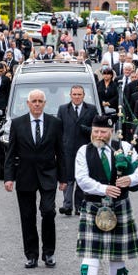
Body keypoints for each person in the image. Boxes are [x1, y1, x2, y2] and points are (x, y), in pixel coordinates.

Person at [75, 115, 138, 275]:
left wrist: (130, 179)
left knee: (118, 256)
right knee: (90, 253)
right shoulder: (84, 151)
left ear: (111, 132)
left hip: (119, 207)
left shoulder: (124, 147)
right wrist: (103, 188)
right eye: (96, 131)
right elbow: (81, 179)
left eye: (103, 132)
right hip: (94, 205)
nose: (99, 135)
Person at [4, 89, 67, 269]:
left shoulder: (55, 123)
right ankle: (31, 255)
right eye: (34, 101)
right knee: (27, 216)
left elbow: (60, 152)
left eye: (40, 101)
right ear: (28, 103)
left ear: (45, 103)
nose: (37, 104)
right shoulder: (17, 124)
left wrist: (64, 178)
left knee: (48, 212)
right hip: (25, 176)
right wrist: (9, 178)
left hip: (48, 175)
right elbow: (10, 153)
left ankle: (48, 253)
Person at [57, 86, 98, 216]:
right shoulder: (63, 109)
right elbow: (58, 130)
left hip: (84, 149)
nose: (77, 97)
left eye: (79, 94)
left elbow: (96, 130)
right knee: (68, 178)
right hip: (67, 149)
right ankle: (67, 205)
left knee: (81, 178)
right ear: (70, 95)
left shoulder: (91, 109)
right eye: (74, 94)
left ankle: (79, 206)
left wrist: (84, 128)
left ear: (83, 95)